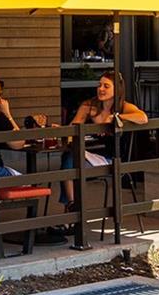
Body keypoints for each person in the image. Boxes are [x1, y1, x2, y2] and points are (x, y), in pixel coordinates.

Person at [61, 71, 148, 203]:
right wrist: (66, 134)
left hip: (113, 157)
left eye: (106, 86)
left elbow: (143, 118)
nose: (100, 89)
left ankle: (72, 208)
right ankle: (72, 206)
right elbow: (74, 128)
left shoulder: (124, 107)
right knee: (70, 160)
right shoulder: (89, 106)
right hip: (90, 152)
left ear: (117, 89)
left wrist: (116, 117)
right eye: (99, 85)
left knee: (70, 163)